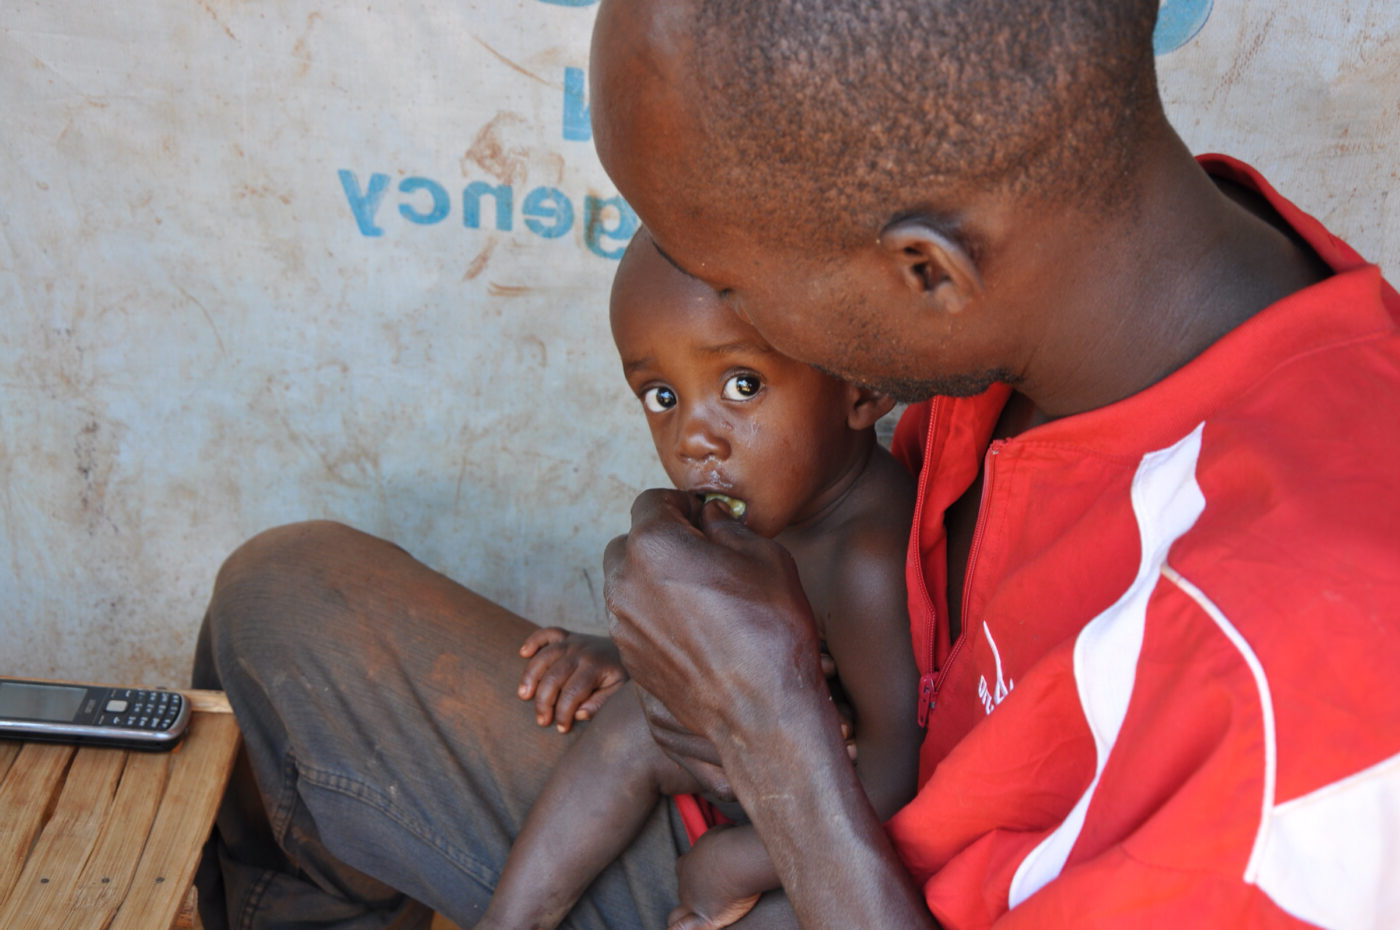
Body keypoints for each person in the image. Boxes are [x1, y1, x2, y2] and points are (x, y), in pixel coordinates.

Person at [194, 0, 1400, 927]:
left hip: (819, 865)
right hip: (808, 839)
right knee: (286, 608)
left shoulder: (1300, 691)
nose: (695, 306)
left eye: (727, 275)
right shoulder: (1075, 291)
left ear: (922, 275)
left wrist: (772, 735)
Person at [476, 225, 920, 930]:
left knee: (639, 733)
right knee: (633, 722)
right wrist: (625, 652)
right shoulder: (765, 504)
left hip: (833, 828)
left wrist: (736, 860)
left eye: (742, 386)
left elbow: (897, 776)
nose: (693, 438)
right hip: (744, 770)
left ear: (860, 388)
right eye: (660, 396)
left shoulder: (868, 557)